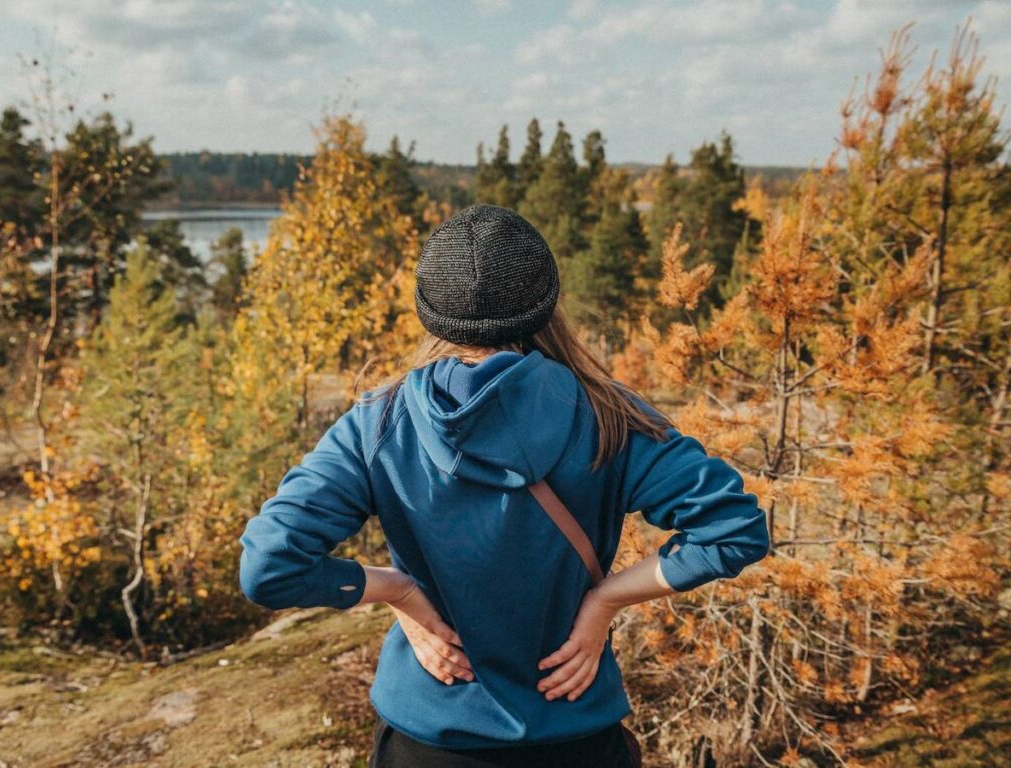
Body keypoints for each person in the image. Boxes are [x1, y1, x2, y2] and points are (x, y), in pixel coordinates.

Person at [238, 203, 771, 767]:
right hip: (574, 729)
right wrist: (605, 601)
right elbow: (734, 530)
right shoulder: (610, 417)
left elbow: (270, 566)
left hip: (429, 740)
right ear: (547, 303)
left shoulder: (378, 424)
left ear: (430, 313)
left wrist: (397, 592)